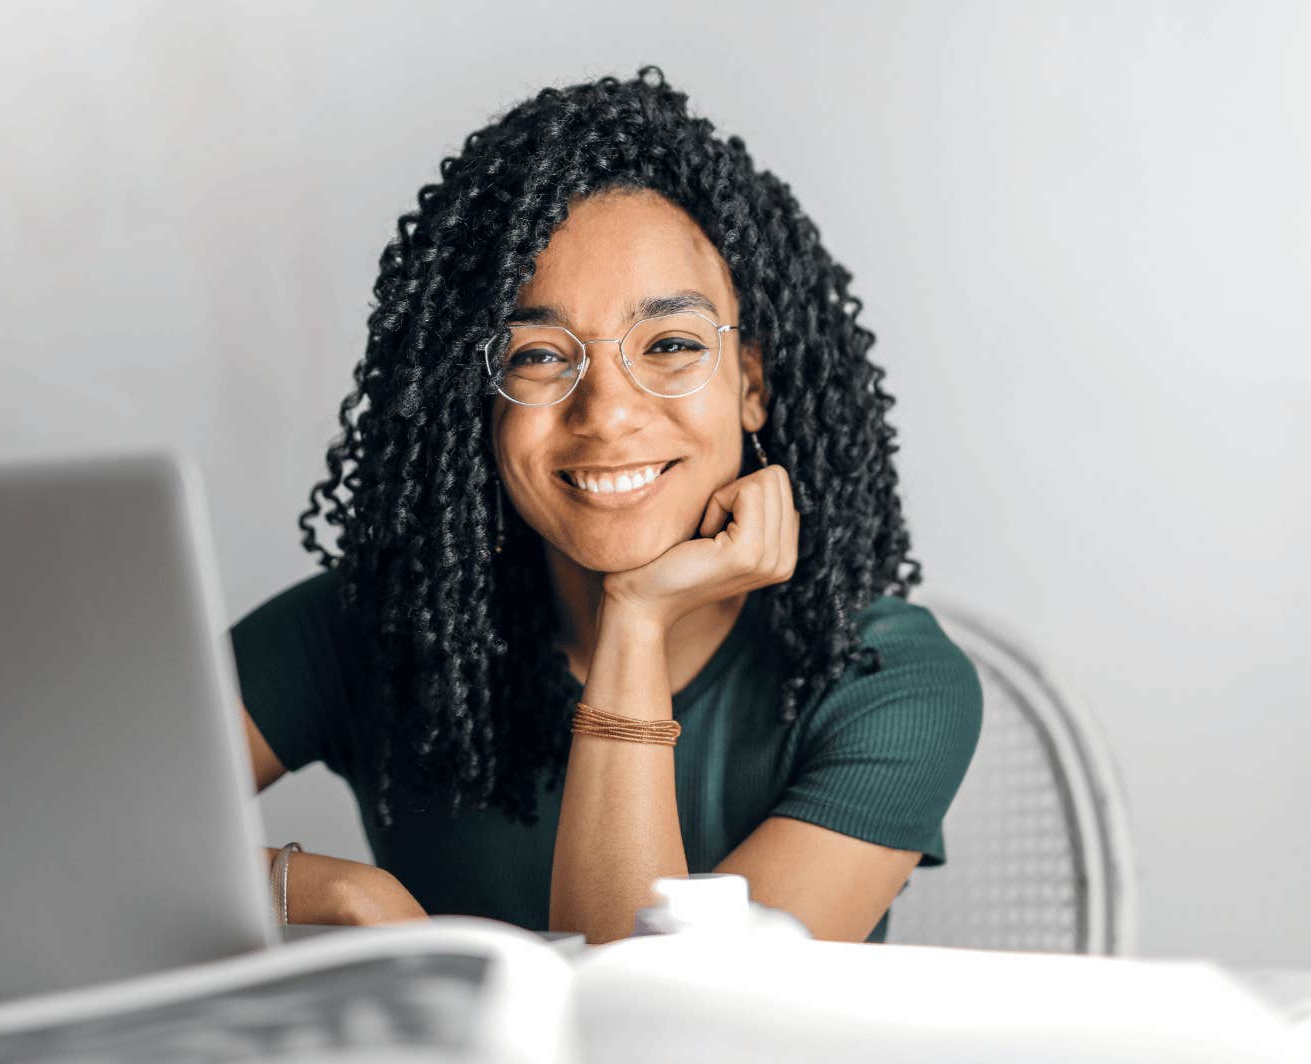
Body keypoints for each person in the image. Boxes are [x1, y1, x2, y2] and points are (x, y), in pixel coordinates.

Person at [231, 68, 982, 944]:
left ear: (752, 385)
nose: (609, 412)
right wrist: (325, 891)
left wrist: (636, 618)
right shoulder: (376, 625)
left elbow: (660, 1026)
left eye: (669, 344)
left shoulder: (884, 680)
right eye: (539, 356)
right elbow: (54, 836)